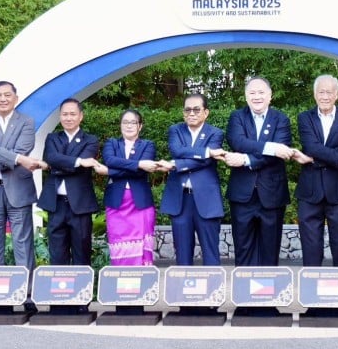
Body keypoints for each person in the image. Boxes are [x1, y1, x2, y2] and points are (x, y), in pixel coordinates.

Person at [0, 81, 46, 272]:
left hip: (19, 188)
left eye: (7, 95)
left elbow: (22, 148)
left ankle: (27, 294)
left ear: (16, 98)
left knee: (23, 243)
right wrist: (19, 159)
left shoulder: (26, 121)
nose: (2, 99)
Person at [293, 75, 338, 267]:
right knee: (310, 248)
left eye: (329, 92)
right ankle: (311, 289)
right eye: (321, 92)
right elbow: (311, 146)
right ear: (314, 94)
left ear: (337, 95)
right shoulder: (305, 118)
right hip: (310, 192)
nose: (325, 96)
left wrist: (311, 160)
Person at [222, 76, 297, 266]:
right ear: (246, 96)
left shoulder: (281, 119)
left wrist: (245, 158)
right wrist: (272, 147)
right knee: (243, 249)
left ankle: (267, 293)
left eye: (261, 92)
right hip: (242, 195)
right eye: (252, 93)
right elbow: (238, 142)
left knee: (270, 251)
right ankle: (243, 293)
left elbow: (280, 153)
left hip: (271, 194)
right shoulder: (237, 117)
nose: (257, 96)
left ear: (270, 96)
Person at [161, 94, 225, 266]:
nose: (192, 113)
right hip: (180, 200)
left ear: (206, 112)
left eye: (197, 109)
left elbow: (206, 161)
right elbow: (176, 150)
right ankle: (183, 289)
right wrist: (206, 152)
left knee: (210, 252)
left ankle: (214, 290)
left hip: (207, 200)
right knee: (182, 253)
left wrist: (176, 165)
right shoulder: (176, 130)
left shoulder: (216, 133)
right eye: (187, 109)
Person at [38, 98, 104, 266]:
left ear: (81, 116)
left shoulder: (90, 140)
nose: (68, 118)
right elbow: (51, 157)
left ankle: (82, 291)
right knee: (57, 255)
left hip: (80, 205)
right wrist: (79, 162)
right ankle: (58, 291)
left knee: (82, 253)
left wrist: (59, 165)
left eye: (72, 114)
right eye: (65, 114)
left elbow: (58, 162)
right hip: (56, 204)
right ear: (60, 116)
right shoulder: (52, 137)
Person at [101, 109, 161, 265]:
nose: (129, 126)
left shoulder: (148, 145)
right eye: (125, 122)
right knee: (118, 244)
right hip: (116, 203)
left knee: (142, 248)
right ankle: (121, 285)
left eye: (133, 122)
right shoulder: (112, 143)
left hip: (141, 203)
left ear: (140, 126)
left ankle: (143, 285)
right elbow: (109, 160)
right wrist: (139, 164)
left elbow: (141, 172)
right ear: (120, 125)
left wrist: (111, 171)